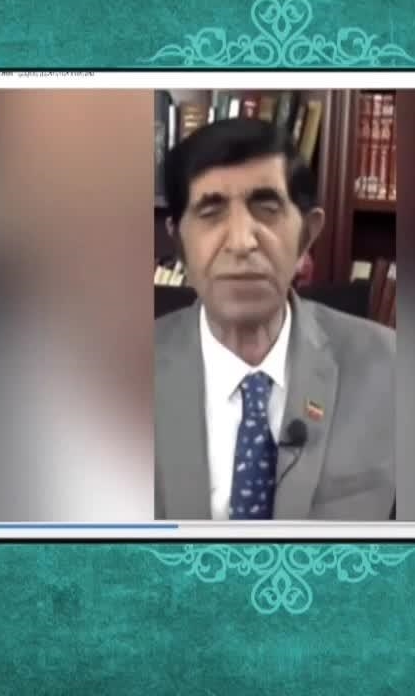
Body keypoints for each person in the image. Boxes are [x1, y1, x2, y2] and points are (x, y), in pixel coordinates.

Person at [155, 117, 395, 521]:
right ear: (178, 242)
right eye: (211, 212)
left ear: (307, 236)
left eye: (267, 210)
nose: (241, 242)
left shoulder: (396, 371)